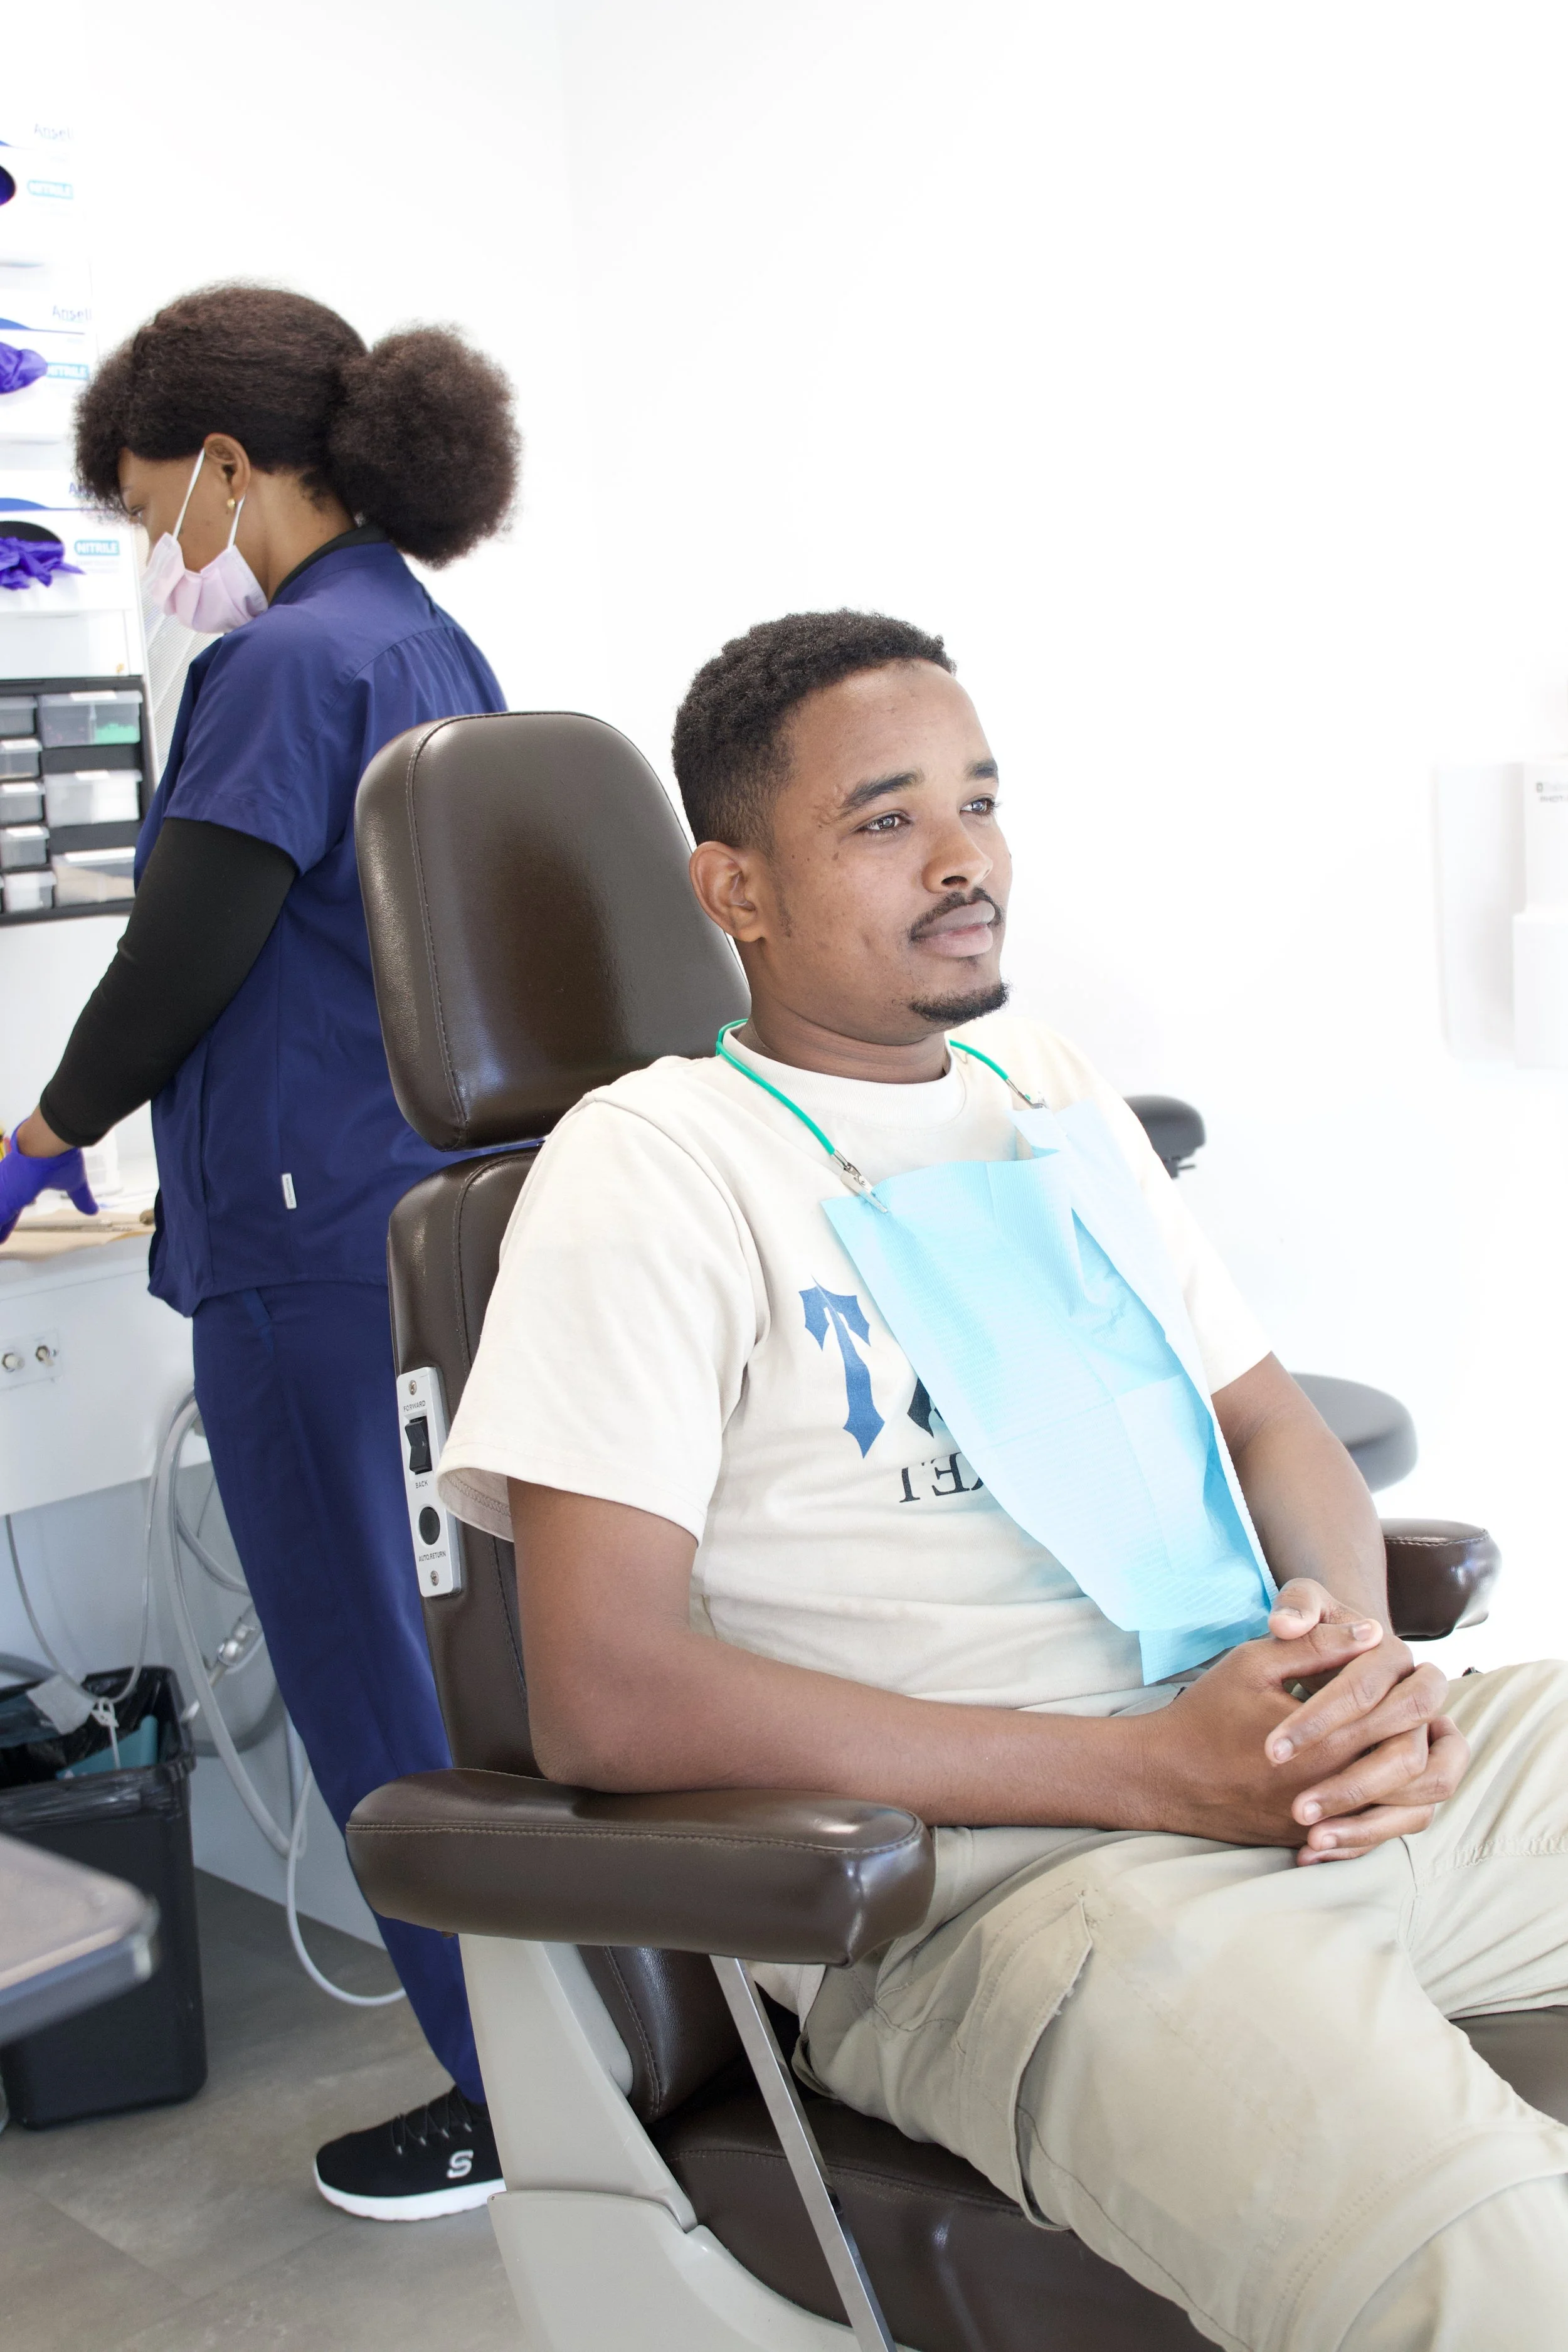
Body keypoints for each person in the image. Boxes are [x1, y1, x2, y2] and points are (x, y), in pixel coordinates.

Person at [436, 608, 1568, 2347]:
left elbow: (1265, 1417)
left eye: (978, 799)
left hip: (1276, 1772)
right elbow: (602, 1695)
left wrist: (1352, 1659)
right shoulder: (653, 1169)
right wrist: (1145, 1775)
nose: (965, 859)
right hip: (1007, 1894)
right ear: (732, 889)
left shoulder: (1040, 1087)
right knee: (1495, 2258)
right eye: (884, 819)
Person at [0, 285, 519, 2219]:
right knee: (456, 1672)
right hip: (420, 1225)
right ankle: (563, 2063)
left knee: (373, 1685)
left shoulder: (287, 663)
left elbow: (185, 949)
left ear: (232, 466)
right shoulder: (423, 632)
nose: (157, 556)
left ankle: (504, 2096)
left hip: (305, 1258)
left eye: (153, 510)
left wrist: (37, 1138)